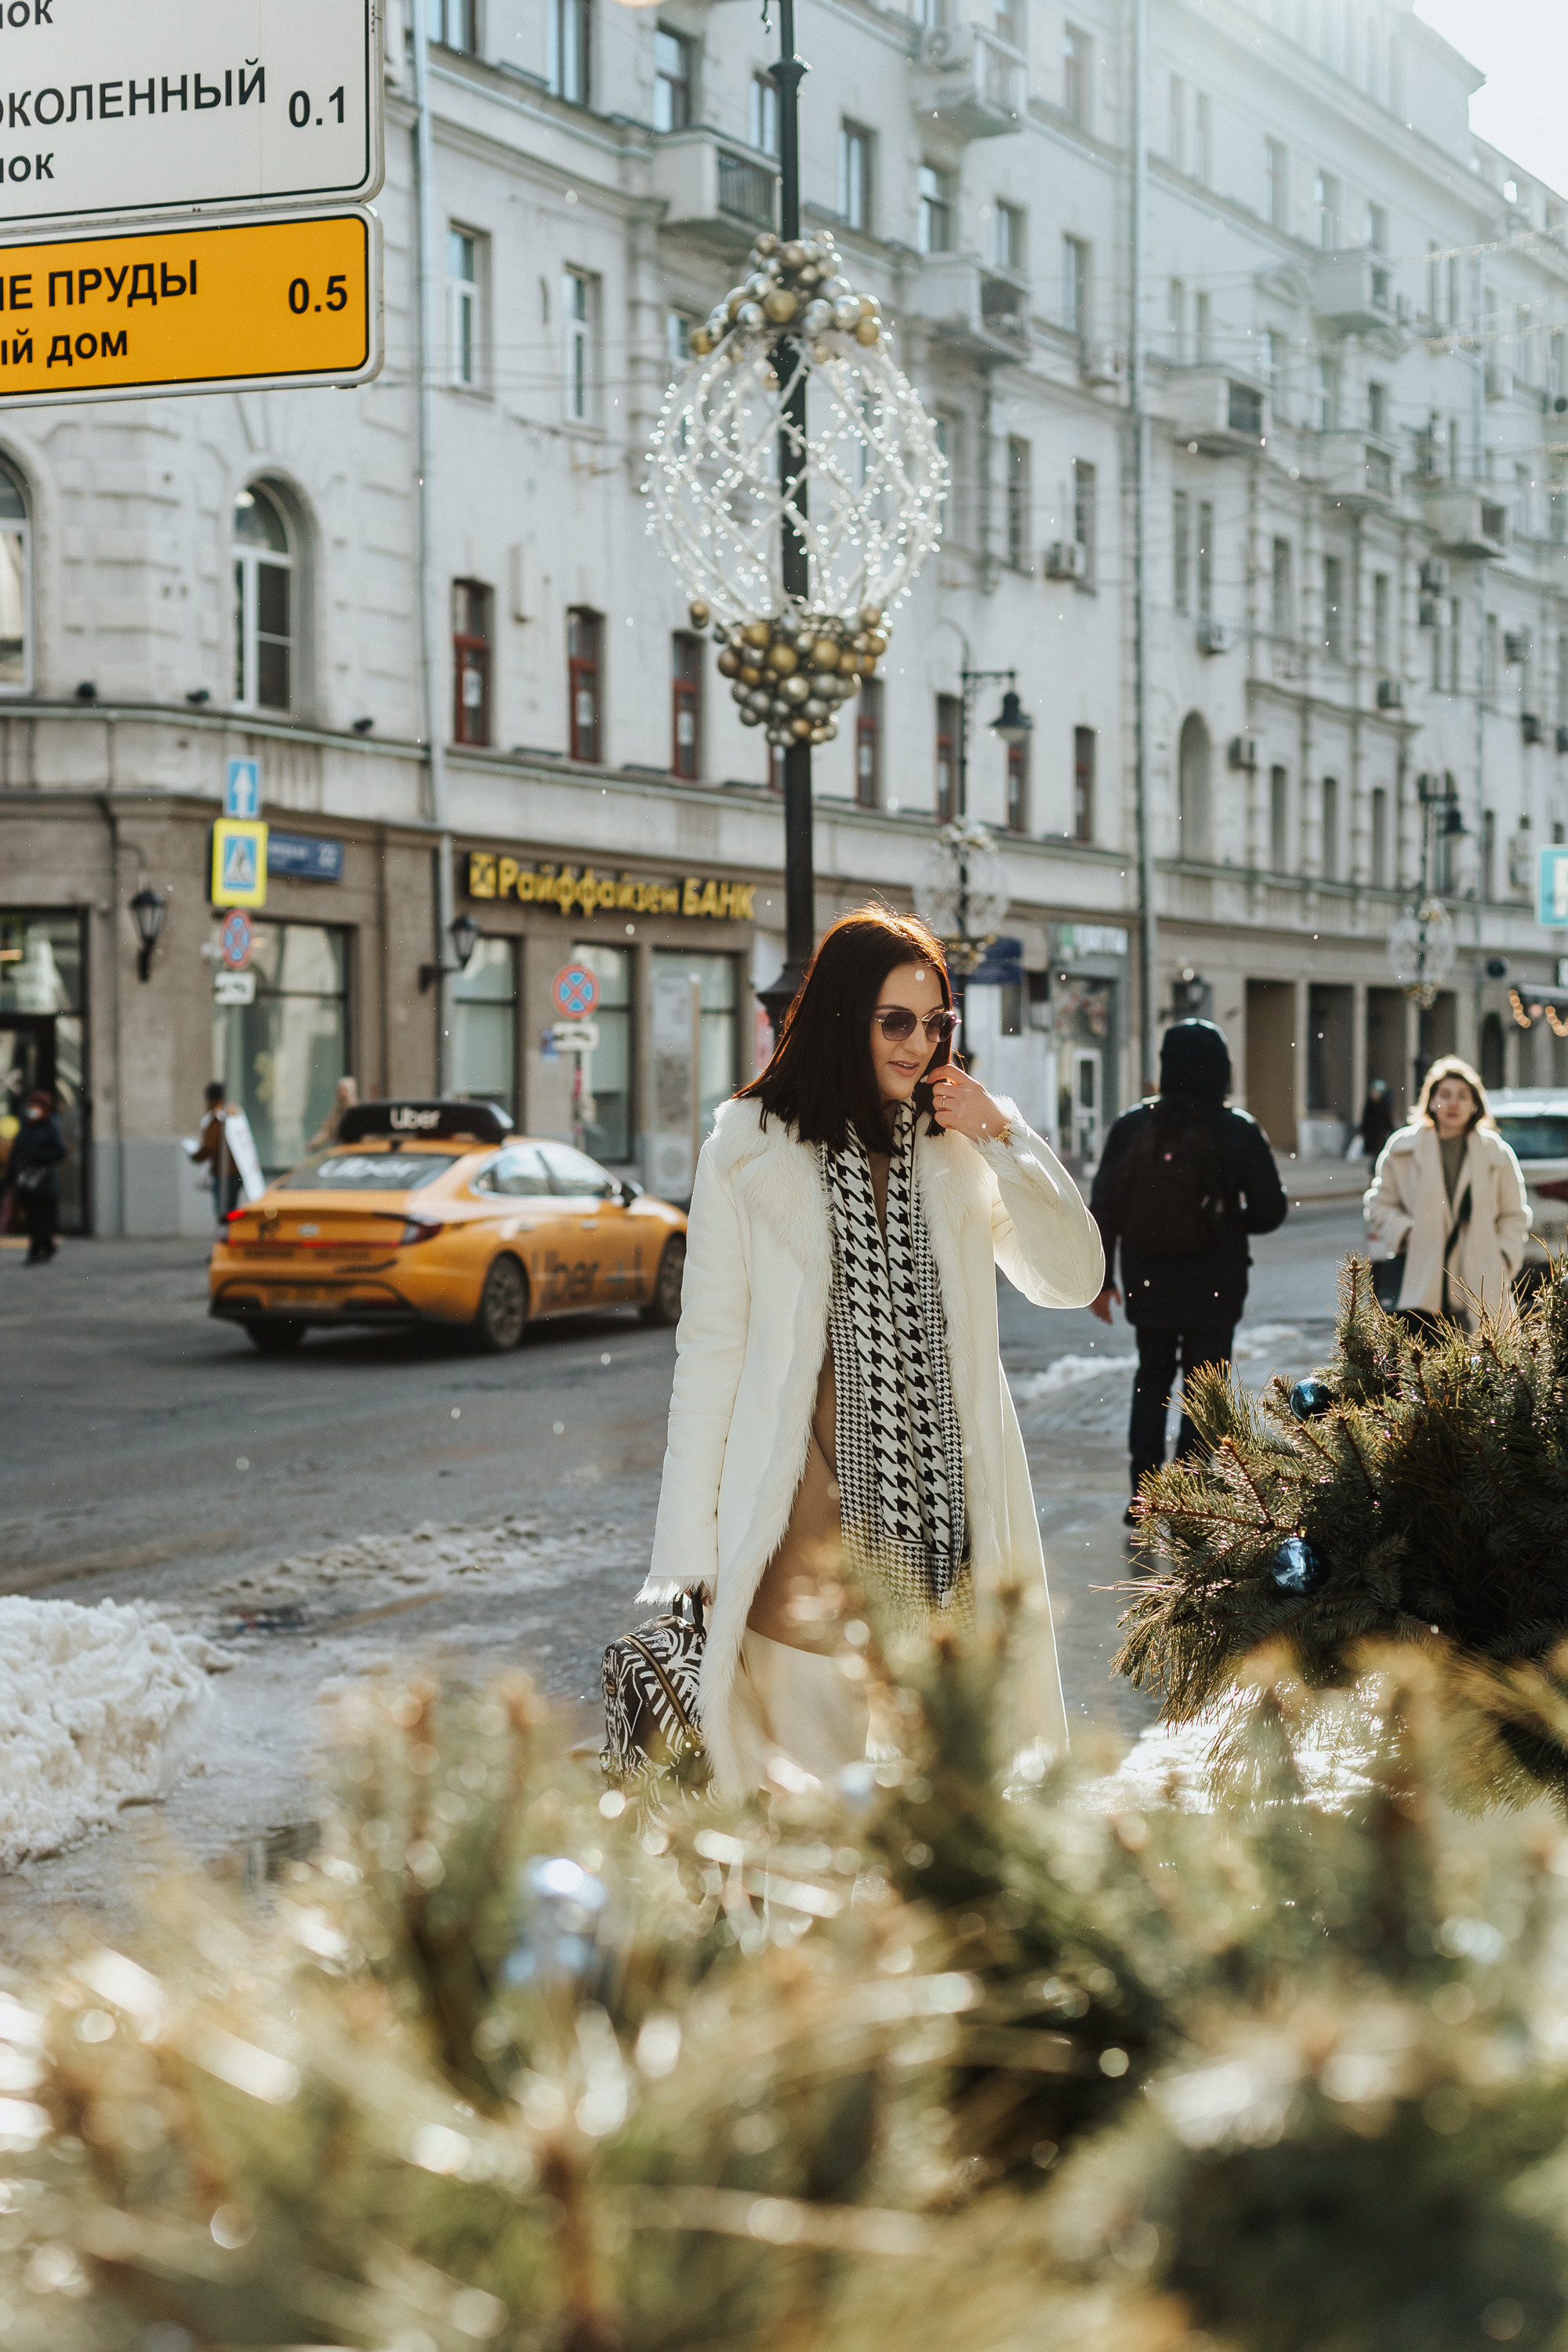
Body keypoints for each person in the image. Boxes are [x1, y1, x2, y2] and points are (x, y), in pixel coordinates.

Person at [640, 906, 1105, 1801]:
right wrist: (689, 1555)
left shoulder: (954, 1146)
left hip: (947, 1528)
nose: (918, 1045)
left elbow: (1071, 1276)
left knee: (948, 1804)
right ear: (843, 1016)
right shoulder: (749, 1147)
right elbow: (708, 1358)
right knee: (812, 1812)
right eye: (896, 1022)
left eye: (936, 1023)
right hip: (802, 1525)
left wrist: (1003, 1133)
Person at [1088, 1018, 1287, 1523]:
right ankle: (1191, 1494)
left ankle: (1143, 1494)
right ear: (1221, 1069)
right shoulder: (1237, 1129)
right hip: (1216, 1282)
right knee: (1205, 1386)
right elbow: (1271, 1210)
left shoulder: (1133, 1125)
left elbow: (1104, 1207)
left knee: (1151, 1379)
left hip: (1147, 1279)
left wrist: (1102, 1281)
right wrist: (1225, 1219)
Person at [1363, 1054, 1530, 1333]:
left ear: (1475, 1104)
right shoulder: (1403, 1149)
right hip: (1422, 1280)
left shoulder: (1497, 1153)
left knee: (1489, 1356)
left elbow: (1514, 1214)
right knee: (1421, 1357)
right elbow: (1379, 1204)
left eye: (1463, 1096)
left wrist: (1504, 1255)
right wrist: (1407, 1233)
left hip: (1484, 1277)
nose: (1453, 1103)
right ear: (1431, 1101)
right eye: (1445, 1095)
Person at [8, 1088, 66, 1264]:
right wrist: (11, 1174)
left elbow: (59, 1152)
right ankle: (46, 1246)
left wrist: (38, 1157)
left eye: (37, 1105)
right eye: (31, 1105)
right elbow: (18, 1150)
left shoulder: (50, 1126)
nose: (32, 1108)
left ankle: (35, 1251)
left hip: (43, 1180)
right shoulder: (26, 1124)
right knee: (33, 1216)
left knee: (39, 1217)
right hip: (25, 1179)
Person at [195, 1081, 243, 1227]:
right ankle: (230, 1234)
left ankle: (225, 1238)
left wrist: (195, 1156)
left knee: (222, 1213)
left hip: (222, 1172)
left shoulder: (215, 1119)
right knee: (232, 1210)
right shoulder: (236, 1114)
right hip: (237, 1171)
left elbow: (209, 1147)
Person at [308, 1076, 359, 1153]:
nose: (342, 1094)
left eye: (345, 1091)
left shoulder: (359, 1113)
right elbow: (325, 1131)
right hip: (341, 1153)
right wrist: (314, 1143)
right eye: (340, 1091)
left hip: (357, 1153)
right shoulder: (334, 1115)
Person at [1356, 1077, 1394, 1161]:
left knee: (1378, 1152)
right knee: (1373, 1154)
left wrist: (1391, 1130)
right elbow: (1366, 1119)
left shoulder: (1384, 1105)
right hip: (1371, 1134)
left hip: (1380, 1134)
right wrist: (1362, 1130)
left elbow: (1387, 1120)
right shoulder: (1370, 1104)